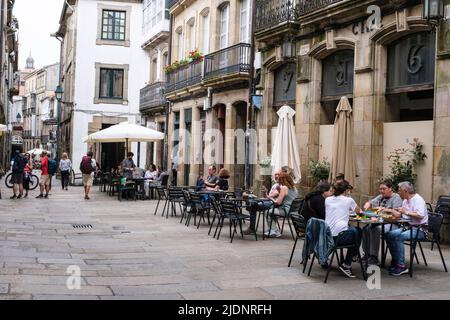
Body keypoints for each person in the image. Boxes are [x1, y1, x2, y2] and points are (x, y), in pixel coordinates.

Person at [385, 181, 428, 276]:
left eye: (399, 191)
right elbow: (401, 214)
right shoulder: (405, 200)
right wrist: (391, 210)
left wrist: (405, 212)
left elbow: (420, 215)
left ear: (405, 191)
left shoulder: (418, 200)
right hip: (408, 227)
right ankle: (396, 261)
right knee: (389, 235)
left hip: (420, 230)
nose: (398, 192)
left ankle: (401, 266)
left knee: (399, 237)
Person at [325, 180, 362, 278]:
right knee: (358, 233)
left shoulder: (327, 199)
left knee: (352, 230)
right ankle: (347, 263)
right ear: (346, 190)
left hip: (327, 236)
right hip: (337, 239)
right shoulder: (348, 200)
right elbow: (359, 212)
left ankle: (351, 256)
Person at [361, 180, 403, 265]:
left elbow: (397, 214)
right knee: (366, 228)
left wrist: (384, 209)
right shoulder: (381, 197)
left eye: (384, 189)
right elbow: (370, 202)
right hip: (379, 221)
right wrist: (367, 204)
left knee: (376, 229)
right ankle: (367, 254)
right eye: (380, 189)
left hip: (392, 224)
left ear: (390, 188)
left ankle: (374, 256)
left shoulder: (396, 198)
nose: (381, 191)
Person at [243, 171, 283, 235]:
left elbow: (271, 196)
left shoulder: (281, 186)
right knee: (253, 204)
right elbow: (268, 196)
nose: (276, 176)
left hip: (273, 204)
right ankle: (250, 205)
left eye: (277, 174)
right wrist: (265, 192)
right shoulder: (275, 185)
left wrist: (267, 195)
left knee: (252, 205)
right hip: (268, 201)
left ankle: (251, 228)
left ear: (281, 176)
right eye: (275, 174)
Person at [265, 172, 298, 238]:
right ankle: (273, 230)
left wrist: (270, 198)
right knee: (272, 211)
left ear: (283, 179)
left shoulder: (284, 188)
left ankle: (274, 231)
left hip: (285, 210)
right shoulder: (295, 188)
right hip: (293, 211)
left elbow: (278, 202)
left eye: (279, 178)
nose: (278, 180)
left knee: (267, 212)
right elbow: (288, 198)